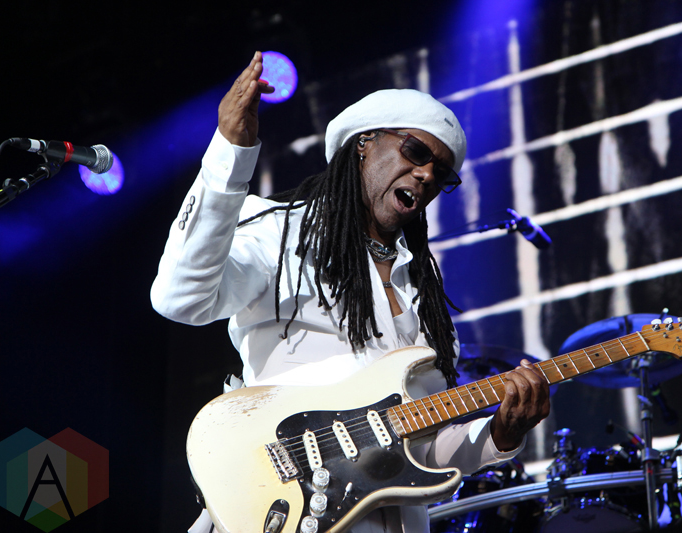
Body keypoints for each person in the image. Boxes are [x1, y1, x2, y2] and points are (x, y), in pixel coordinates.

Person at [151, 52, 550, 533]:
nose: (427, 175)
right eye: (415, 152)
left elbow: (425, 452)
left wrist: (500, 434)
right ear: (364, 142)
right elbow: (180, 298)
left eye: (441, 174)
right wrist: (229, 156)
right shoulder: (283, 233)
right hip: (279, 509)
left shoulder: (423, 297)